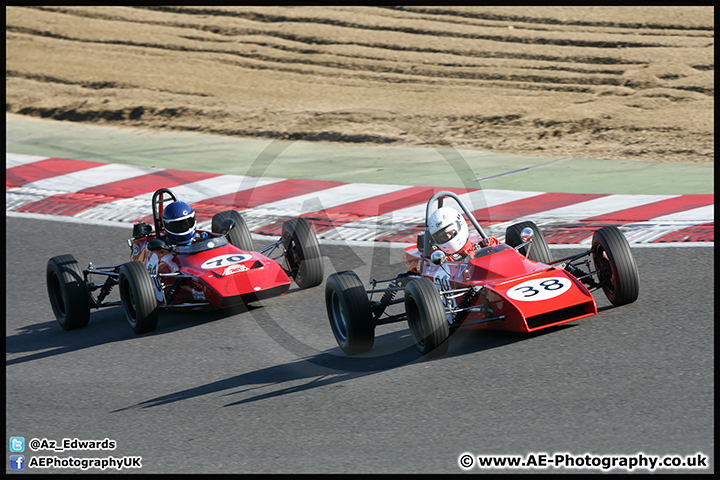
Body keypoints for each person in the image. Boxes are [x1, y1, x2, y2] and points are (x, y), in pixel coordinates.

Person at [428, 207, 499, 260]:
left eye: (450, 231)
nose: (448, 236)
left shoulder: (490, 245)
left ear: (461, 225)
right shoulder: (441, 259)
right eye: (443, 236)